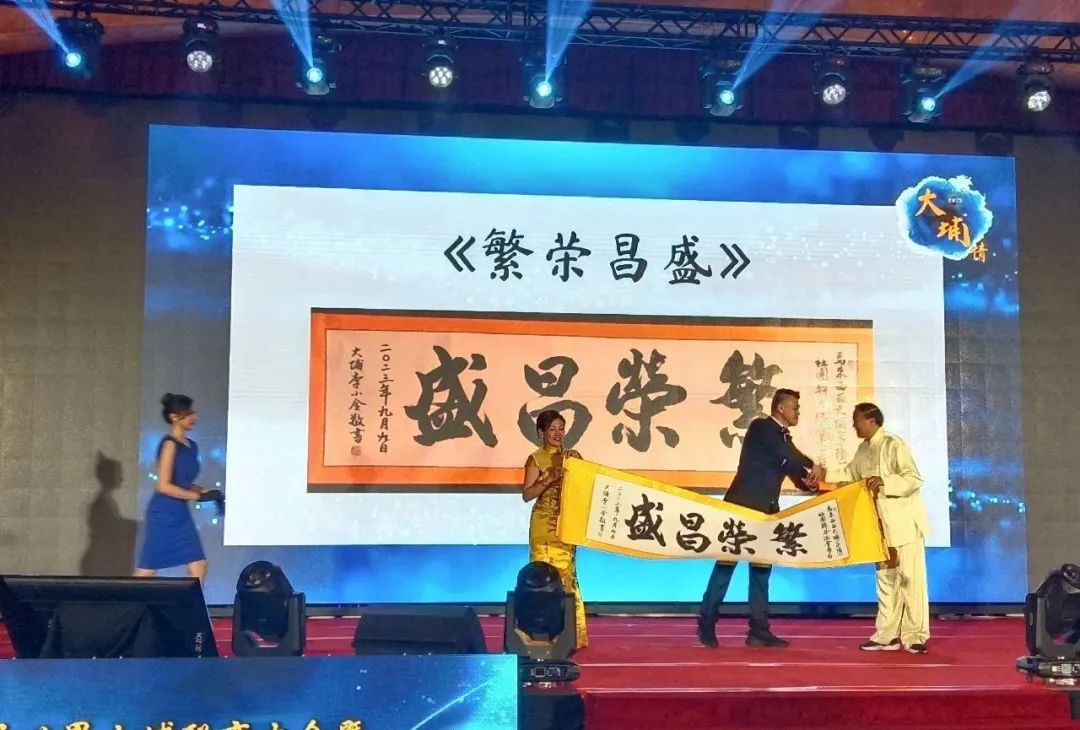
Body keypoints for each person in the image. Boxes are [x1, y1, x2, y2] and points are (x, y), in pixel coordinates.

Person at [698, 388, 819, 648]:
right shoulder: (762, 427)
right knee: (725, 568)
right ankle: (706, 622)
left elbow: (791, 467)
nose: (798, 411)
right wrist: (813, 466)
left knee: (761, 572)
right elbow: (788, 456)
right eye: (795, 407)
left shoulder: (784, 439)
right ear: (780, 408)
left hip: (765, 512)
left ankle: (759, 630)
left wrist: (810, 483)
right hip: (741, 510)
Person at [825, 402, 930, 654]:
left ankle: (915, 635)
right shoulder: (863, 449)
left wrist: (884, 481)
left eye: (857, 421)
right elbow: (849, 474)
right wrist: (823, 474)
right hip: (879, 526)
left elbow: (913, 478)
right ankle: (886, 635)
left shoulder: (893, 444)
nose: (854, 426)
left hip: (904, 525)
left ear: (871, 421)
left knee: (911, 580)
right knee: (886, 579)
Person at [134, 393, 222, 581]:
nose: (193, 417)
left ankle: (188, 602)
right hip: (163, 513)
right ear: (174, 417)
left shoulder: (192, 446)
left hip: (181, 514)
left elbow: (182, 481)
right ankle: (123, 599)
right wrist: (197, 497)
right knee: (147, 571)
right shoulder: (169, 445)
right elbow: (164, 486)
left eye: (193, 413)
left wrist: (206, 492)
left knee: (199, 566)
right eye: (188, 413)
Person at [521, 409, 588, 649]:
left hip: (565, 524)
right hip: (543, 524)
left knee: (567, 576)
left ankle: (571, 635)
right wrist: (548, 479)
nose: (558, 433)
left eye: (561, 428)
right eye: (552, 429)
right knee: (542, 577)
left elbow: (583, 487)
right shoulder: (536, 459)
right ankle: (541, 633)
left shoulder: (573, 457)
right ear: (541, 433)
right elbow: (527, 494)